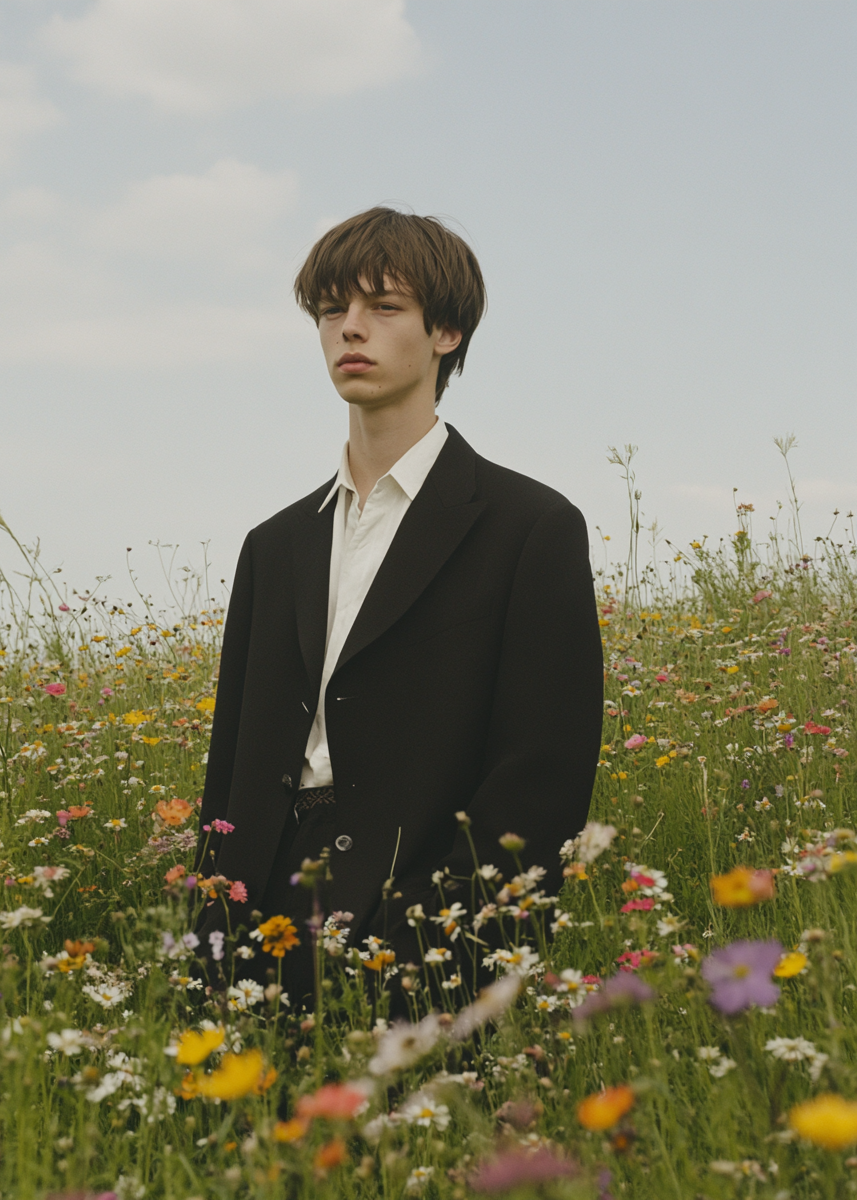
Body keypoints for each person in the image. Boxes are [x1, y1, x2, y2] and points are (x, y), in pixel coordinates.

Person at [194, 206, 602, 1007]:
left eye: (384, 308)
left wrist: (436, 934)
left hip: (419, 924)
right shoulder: (272, 546)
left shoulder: (531, 528)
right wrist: (211, 934)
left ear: (446, 331)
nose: (352, 330)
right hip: (256, 923)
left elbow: (542, 778)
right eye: (331, 310)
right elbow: (229, 771)